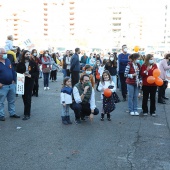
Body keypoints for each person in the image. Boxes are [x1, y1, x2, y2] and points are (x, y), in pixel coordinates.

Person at [16, 50, 39, 120]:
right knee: (24, 97)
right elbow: (17, 72)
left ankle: (27, 114)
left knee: (28, 97)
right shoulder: (20, 63)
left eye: (29, 54)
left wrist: (31, 75)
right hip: (22, 81)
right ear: (23, 55)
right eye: (26, 54)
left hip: (30, 81)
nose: (28, 55)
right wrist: (21, 75)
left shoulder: (33, 63)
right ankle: (27, 109)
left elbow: (37, 73)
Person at [0, 48, 20, 121]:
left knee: (11, 100)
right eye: (4, 53)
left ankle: (12, 113)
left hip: (11, 85)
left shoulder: (8, 60)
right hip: (2, 86)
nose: (6, 54)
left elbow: (12, 70)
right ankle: (1, 115)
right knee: (1, 102)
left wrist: (14, 79)